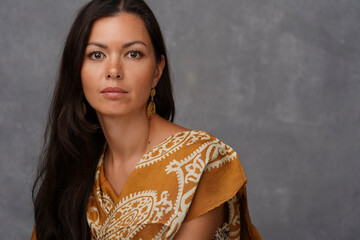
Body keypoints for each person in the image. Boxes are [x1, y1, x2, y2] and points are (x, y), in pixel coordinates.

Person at [31, 0, 262, 239]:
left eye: (133, 54)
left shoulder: (200, 162)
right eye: (96, 54)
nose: (113, 70)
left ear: (157, 71)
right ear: (76, 70)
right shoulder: (75, 168)